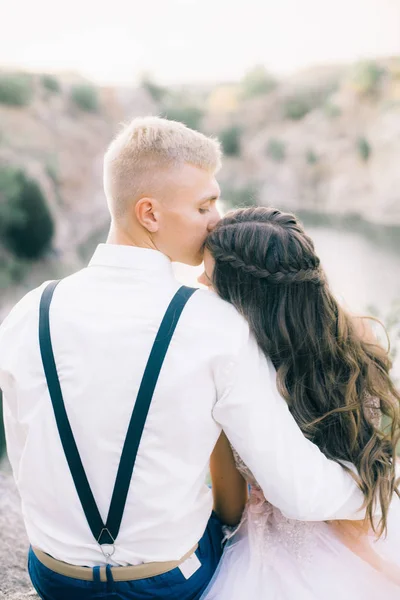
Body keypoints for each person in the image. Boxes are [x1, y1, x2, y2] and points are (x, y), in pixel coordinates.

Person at [0, 118, 369, 600]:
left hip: (53, 576)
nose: (218, 219)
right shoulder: (214, 324)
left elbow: (24, 449)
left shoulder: (29, 311)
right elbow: (298, 492)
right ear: (149, 214)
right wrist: (367, 491)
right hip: (168, 583)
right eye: (204, 205)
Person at [198, 206, 400, 600]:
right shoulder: (356, 344)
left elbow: (230, 506)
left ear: (245, 297)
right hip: (368, 531)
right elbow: (369, 449)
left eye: (208, 278)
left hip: (271, 564)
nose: (199, 282)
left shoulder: (232, 372)